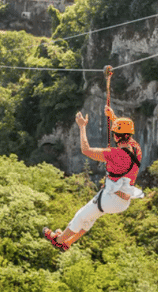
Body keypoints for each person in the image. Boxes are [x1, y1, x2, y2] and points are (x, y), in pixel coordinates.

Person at [43, 105, 143, 251]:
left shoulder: (113, 154)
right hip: (124, 200)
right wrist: (113, 117)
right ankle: (68, 242)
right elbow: (124, 133)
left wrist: (82, 127)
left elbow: (86, 150)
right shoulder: (136, 148)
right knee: (91, 216)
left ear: (115, 135)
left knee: (80, 216)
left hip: (111, 198)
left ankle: (58, 240)